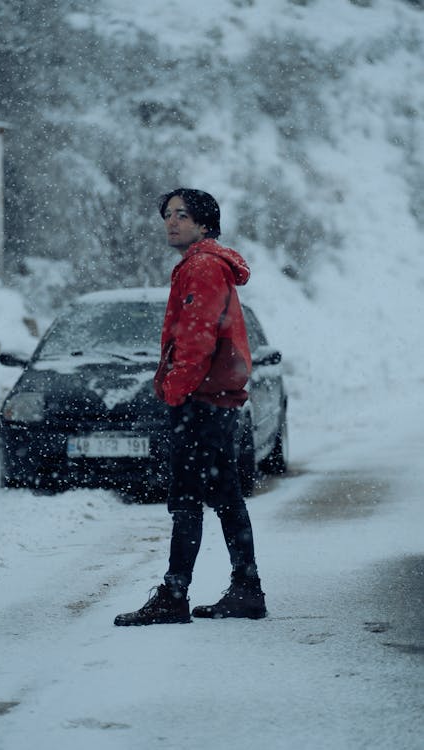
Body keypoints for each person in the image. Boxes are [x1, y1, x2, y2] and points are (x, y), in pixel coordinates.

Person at [114, 188, 266, 626]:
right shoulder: (205, 264)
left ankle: (174, 595)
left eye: (181, 215)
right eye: (167, 215)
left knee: (186, 499)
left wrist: (174, 391)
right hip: (215, 399)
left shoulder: (200, 267)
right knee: (224, 495)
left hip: (201, 401)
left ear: (204, 224)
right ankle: (246, 588)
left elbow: (197, 339)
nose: (171, 222)